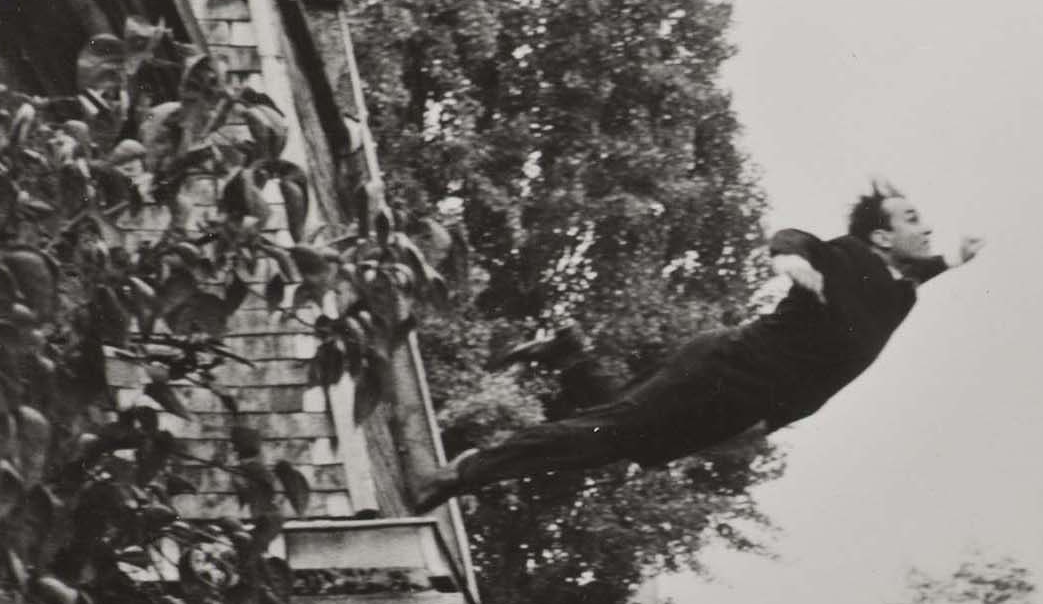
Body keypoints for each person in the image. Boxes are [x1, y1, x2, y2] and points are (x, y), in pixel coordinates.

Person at [411, 181, 984, 510]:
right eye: (914, 219)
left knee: (628, 442)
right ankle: (461, 473)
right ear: (882, 237)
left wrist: (955, 259)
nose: (926, 227)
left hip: (747, 408)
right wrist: (787, 258)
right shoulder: (851, 258)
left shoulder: (900, 292)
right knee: (607, 435)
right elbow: (798, 239)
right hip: (725, 370)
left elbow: (921, 269)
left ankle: (566, 353)